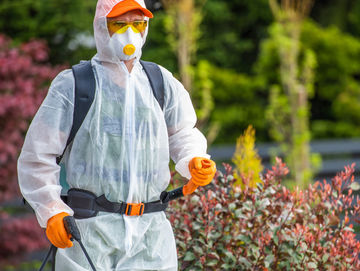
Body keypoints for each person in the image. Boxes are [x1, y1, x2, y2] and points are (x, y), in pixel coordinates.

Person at [17, 0, 216, 270]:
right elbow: (37, 157)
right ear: (102, 27)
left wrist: (193, 159)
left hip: (151, 237)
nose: (129, 32)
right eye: (119, 23)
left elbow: (182, 132)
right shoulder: (74, 85)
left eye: (137, 23)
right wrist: (52, 210)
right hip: (90, 237)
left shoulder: (161, 82)